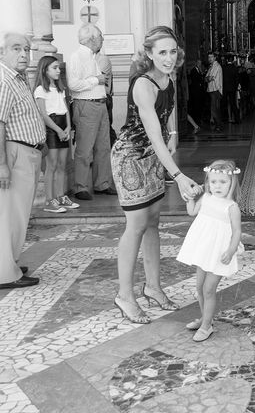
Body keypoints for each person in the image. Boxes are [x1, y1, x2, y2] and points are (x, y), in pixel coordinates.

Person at [111, 26, 201, 324]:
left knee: (153, 222)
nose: (169, 58)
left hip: (151, 157)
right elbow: (152, 134)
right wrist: (177, 174)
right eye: (162, 52)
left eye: (173, 51)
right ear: (148, 54)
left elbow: (163, 124)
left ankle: (152, 286)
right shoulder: (143, 85)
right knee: (136, 224)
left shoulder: (169, 81)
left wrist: (173, 132)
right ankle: (125, 295)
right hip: (131, 157)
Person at [177, 159, 243, 342]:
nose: (218, 186)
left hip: (220, 253)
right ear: (207, 182)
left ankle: (207, 327)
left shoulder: (232, 207)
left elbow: (237, 231)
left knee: (208, 289)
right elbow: (192, 212)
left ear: (232, 183)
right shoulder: (206, 198)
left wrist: (230, 251)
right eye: (213, 182)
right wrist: (189, 198)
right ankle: (205, 319)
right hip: (204, 249)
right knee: (199, 287)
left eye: (223, 182)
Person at [0, 32, 45, 289]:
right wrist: (1, 164)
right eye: (16, 49)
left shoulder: (19, 78)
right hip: (15, 153)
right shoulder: (4, 79)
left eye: (26, 49)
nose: (23, 54)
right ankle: (6, 273)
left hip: (27, 151)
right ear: (2, 52)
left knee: (18, 214)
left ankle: (10, 263)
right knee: (9, 215)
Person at [67, 24, 116, 201]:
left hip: (100, 104)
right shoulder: (77, 56)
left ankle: (102, 183)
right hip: (86, 104)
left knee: (103, 146)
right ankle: (80, 186)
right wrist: (97, 79)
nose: (102, 39)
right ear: (92, 39)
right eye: (100, 36)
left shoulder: (94, 56)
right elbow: (73, 84)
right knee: (84, 148)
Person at [33, 56, 79, 213]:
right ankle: (49, 200)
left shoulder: (60, 88)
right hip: (51, 128)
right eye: (55, 68)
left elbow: (65, 109)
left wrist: (67, 127)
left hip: (62, 125)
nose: (59, 70)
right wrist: (58, 130)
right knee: (51, 166)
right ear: (45, 70)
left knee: (62, 165)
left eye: (59, 67)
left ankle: (61, 197)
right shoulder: (40, 90)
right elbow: (43, 115)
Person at [95, 49, 117, 145]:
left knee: (106, 129)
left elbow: (99, 78)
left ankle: (114, 151)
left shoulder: (103, 59)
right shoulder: (91, 60)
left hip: (104, 98)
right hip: (95, 99)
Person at [206, 52, 223, 131]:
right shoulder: (211, 66)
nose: (209, 59)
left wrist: (208, 78)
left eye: (211, 57)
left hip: (216, 90)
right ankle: (218, 125)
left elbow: (210, 78)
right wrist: (207, 78)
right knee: (214, 109)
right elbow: (206, 78)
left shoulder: (216, 66)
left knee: (215, 109)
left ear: (215, 58)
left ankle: (219, 126)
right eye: (209, 57)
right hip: (212, 90)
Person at [222, 56, 240, 123]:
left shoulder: (224, 67)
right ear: (232, 60)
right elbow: (237, 79)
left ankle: (225, 119)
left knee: (224, 103)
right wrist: (235, 88)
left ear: (227, 60)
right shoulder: (235, 68)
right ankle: (237, 119)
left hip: (225, 88)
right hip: (232, 89)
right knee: (233, 104)